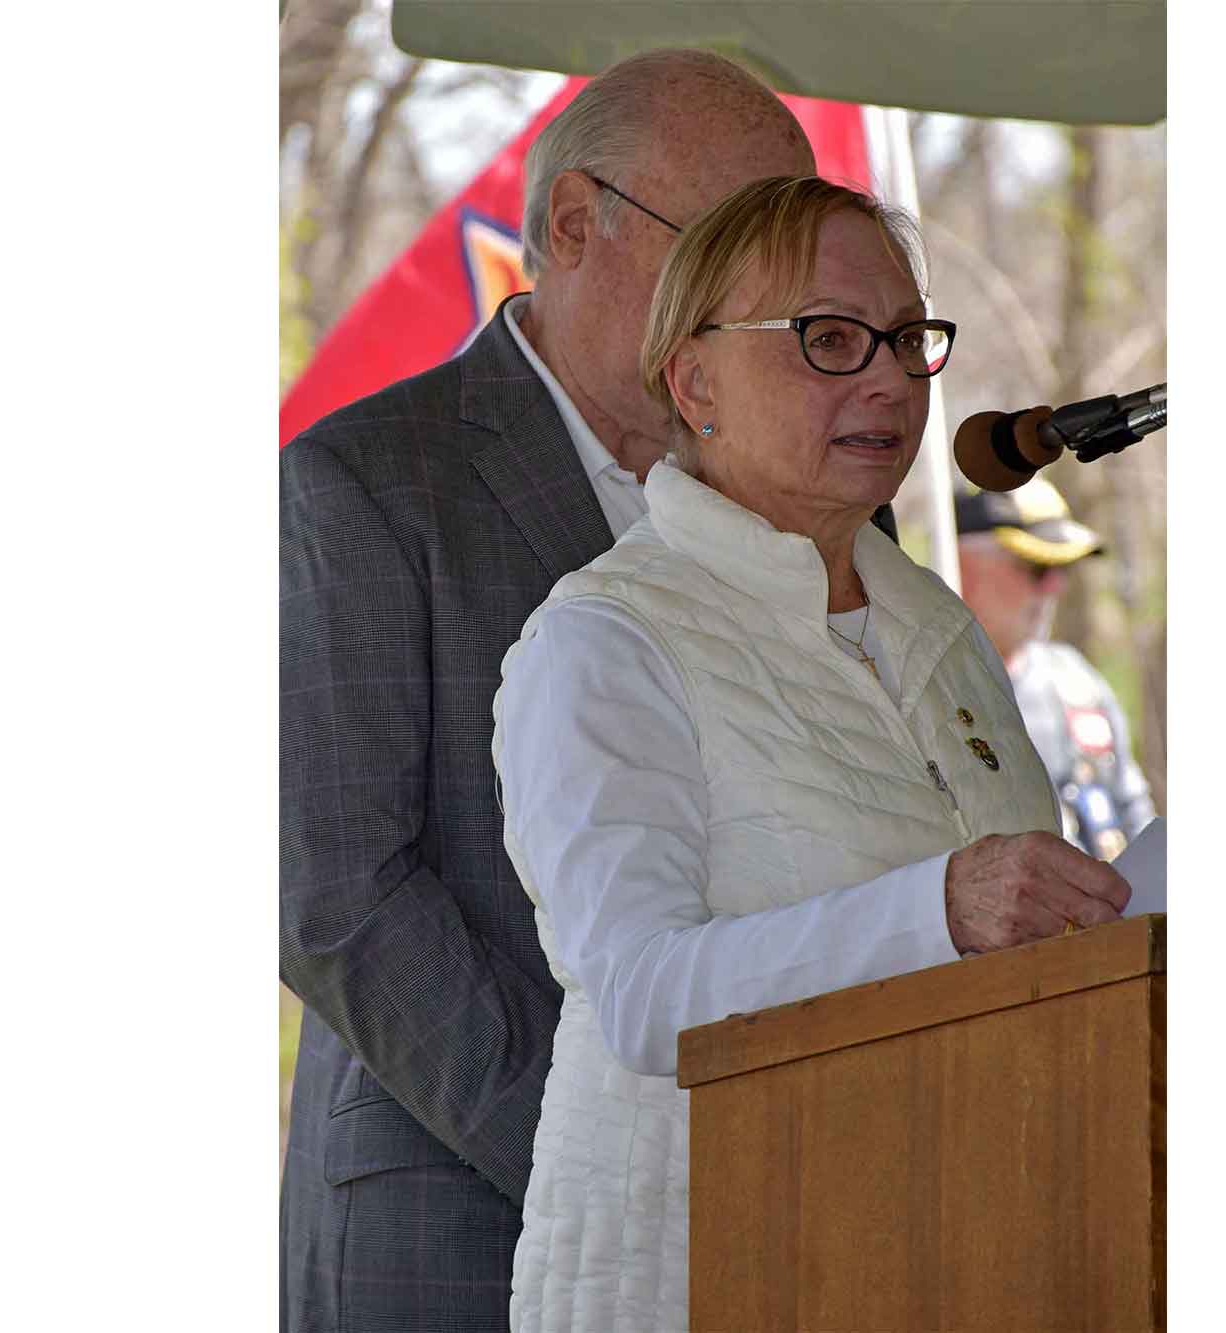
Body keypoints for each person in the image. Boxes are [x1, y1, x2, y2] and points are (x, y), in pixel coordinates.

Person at [492, 175, 1132, 1333]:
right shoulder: (603, 639)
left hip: (959, 1251)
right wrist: (938, 909)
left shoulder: (936, 627)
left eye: (903, 339)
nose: (887, 376)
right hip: (705, 1271)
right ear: (693, 383)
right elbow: (640, 996)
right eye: (827, 339)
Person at [278, 50, 823, 1332]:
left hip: (794, 1198)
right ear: (575, 226)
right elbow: (334, 893)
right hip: (463, 1205)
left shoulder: (815, 511)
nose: (773, 305)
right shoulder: (365, 483)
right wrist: (605, 1150)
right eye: (732, 250)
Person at [955, 481, 1158, 859]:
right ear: (961, 567)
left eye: (1061, 569)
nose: (1055, 587)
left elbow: (1137, 820)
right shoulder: (927, 695)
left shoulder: (1076, 681)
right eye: (1035, 567)